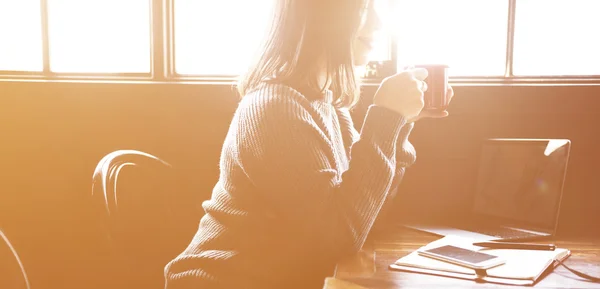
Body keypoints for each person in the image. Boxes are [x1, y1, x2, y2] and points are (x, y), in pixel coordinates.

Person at [164, 0, 453, 288]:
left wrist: (400, 124)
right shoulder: (275, 109)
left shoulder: (328, 103)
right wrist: (385, 118)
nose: (378, 23)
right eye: (365, 7)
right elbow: (339, 239)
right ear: (324, 13)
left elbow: (365, 214)